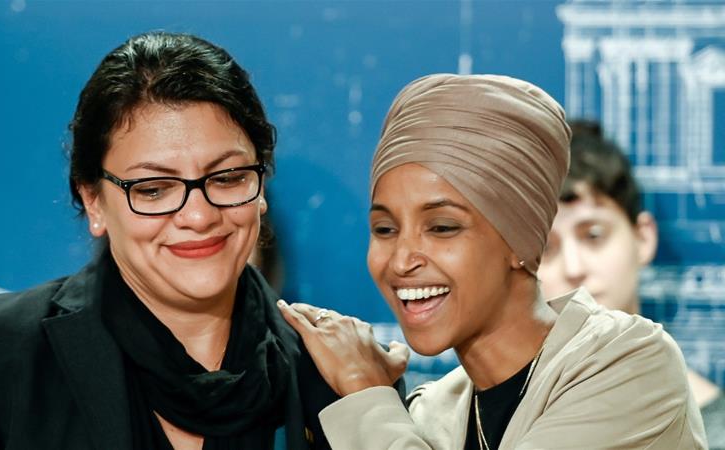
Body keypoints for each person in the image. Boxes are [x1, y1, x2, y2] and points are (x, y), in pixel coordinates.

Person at [0, 31, 340, 450]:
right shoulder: (0, 353)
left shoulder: (336, 368)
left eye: (228, 178)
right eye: (154, 189)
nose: (198, 216)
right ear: (93, 201)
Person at [278, 74, 707, 449]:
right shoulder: (431, 413)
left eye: (442, 227)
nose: (401, 260)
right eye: (385, 230)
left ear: (519, 239)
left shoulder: (629, 364)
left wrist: (363, 391)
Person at [537, 121, 724, 448]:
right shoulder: (490, 424)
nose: (574, 268)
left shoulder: (717, 432)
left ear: (643, 238)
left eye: (593, 235)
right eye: (545, 249)